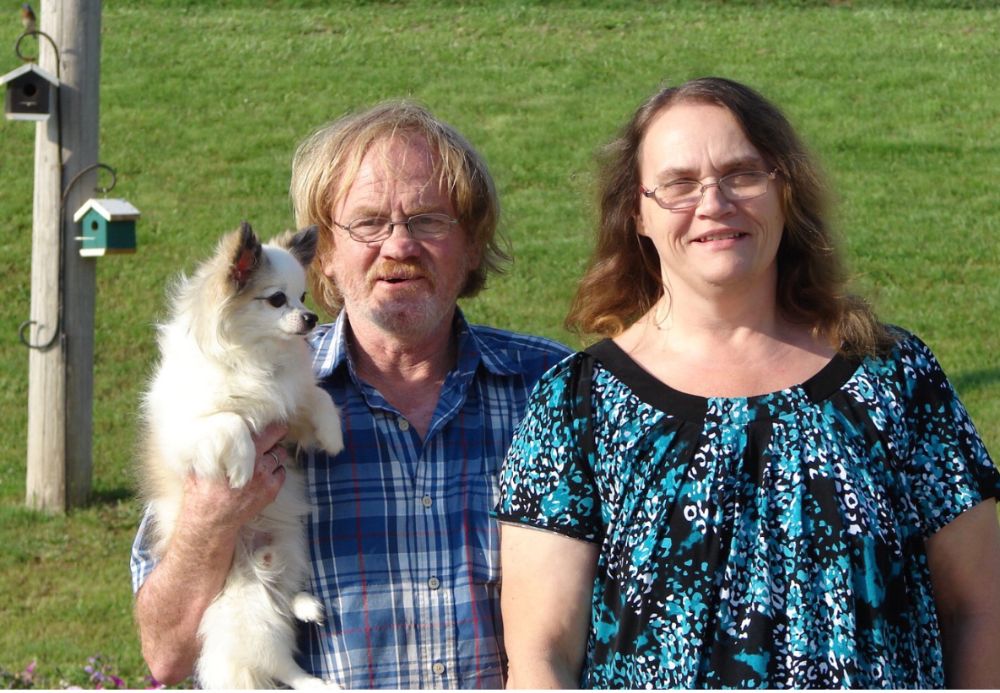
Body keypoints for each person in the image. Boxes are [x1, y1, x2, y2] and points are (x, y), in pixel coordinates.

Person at [495, 77, 1000, 689]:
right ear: (637, 214)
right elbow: (542, 653)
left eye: (741, 174)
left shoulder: (894, 374)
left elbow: (979, 608)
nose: (713, 203)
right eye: (679, 184)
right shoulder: (577, 403)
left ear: (785, 191)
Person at [130, 100, 571, 689]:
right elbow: (166, 656)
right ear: (326, 257)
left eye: (428, 221)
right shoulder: (246, 396)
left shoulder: (553, 389)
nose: (399, 246)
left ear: (472, 244)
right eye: (368, 223)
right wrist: (214, 514)